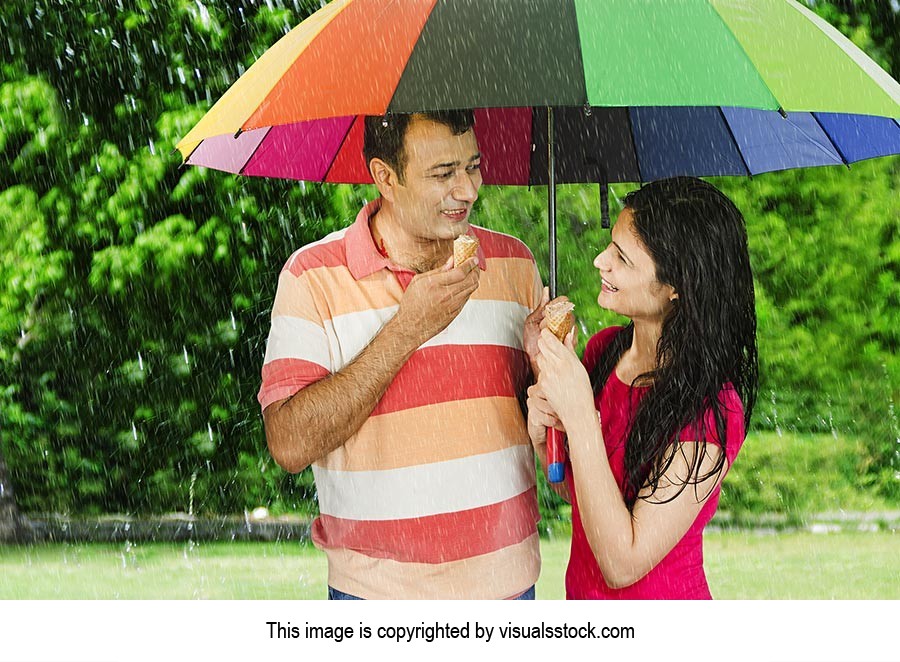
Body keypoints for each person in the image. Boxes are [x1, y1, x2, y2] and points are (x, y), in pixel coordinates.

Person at [258, 110, 544, 600]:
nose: (468, 191)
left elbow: (548, 439)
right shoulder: (311, 276)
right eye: (442, 174)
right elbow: (289, 444)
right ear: (384, 177)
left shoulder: (514, 264)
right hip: (374, 598)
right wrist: (406, 330)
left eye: (473, 167)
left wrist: (555, 378)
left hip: (509, 590)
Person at [526, 177, 758, 599]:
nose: (600, 261)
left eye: (622, 259)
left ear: (677, 286)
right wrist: (548, 442)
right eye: (609, 245)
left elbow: (622, 563)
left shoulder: (710, 412)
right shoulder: (602, 353)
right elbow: (584, 497)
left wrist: (579, 417)